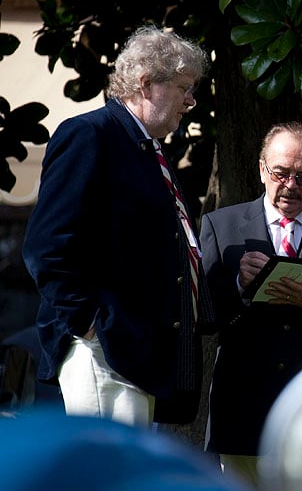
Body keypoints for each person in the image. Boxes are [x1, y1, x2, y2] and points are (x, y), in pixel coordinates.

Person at [22, 25, 213, 428]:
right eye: (183, 88)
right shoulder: (90, 135)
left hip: (134, 354)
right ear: (146, 84)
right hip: (104, 352)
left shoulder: (145, 148)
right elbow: (46, 247)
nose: (190, 102)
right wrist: (93, 325)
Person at [200, 121, 302, 486]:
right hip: (243, 411)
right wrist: (240, 286)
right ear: (262, 169)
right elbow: (205, 318)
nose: (291, 186)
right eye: (281, 173)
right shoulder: (221, 226)